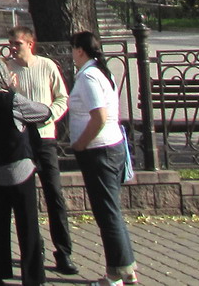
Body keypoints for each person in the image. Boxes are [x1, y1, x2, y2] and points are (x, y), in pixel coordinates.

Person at [0, 56, 52, 286]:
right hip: (18, 169)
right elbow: (44, 113)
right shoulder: (13, 101)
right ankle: (33, 277)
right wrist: (14, 89)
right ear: (4, 77)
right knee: (27, 225)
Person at [66, 31, 135, 286]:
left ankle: (118, 274)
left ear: (80, 50)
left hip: (100, 150)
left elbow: (100, 116)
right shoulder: (100, 72)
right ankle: (123, 270)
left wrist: (81, 144)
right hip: (108, 147)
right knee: (110, 212)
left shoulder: (90, 77)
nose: (72, 54)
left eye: (73, 49)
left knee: (108, 214)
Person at [8, 27, 78, 275]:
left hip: (45, 137)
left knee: (54, 194)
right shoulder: (7, 70)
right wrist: (10, 90)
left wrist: (50, 116)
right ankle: (34, 250)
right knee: (25, 198)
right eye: (11, 44)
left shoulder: (47, 66)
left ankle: (64, 253)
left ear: (30, 44)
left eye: (17, 44)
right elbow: (3, 103)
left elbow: (62, 98)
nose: (13, 48)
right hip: (21, 139)